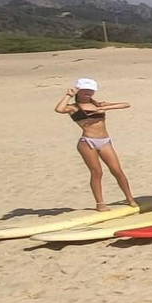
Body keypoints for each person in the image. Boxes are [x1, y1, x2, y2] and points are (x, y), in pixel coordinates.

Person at [55, 77, 135, 210]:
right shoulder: (74, 108)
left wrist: (105, 108)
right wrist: (69, 95)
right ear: (78, 91)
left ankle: (130, 198)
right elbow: (59, 109)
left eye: (90, 91)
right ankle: (100, 203)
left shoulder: (98, 104)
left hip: (105, 141)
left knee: (117, 170)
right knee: (97, 172)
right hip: (88, 142)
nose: (88, 93)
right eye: (84, 90)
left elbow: (126, 104)